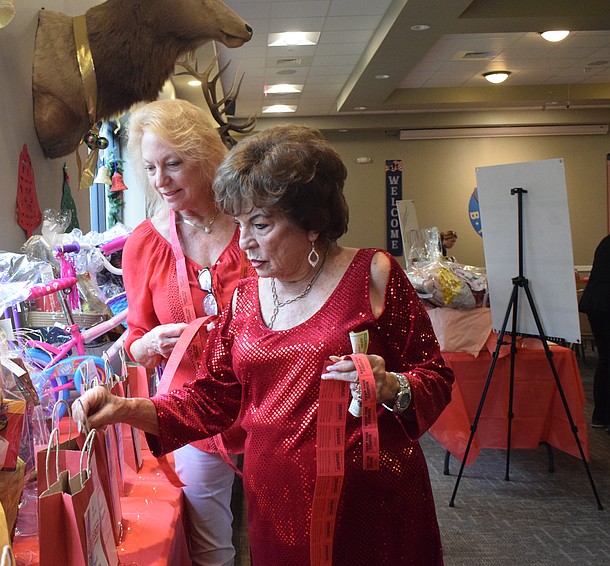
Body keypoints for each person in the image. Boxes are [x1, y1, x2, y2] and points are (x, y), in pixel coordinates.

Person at [74, 125, 455, 565]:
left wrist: (390, 387)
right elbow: (211, 400)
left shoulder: (373, 276)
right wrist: (124, 409)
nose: (244, 242)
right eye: (238, 225)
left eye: (260, 224)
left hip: (370, 504)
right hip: (276, 505)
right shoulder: (245, 298)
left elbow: (436, 377)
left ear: (311, 221)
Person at [119, 99, 253, 566]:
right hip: (192, 414)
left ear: (205, 158)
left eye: (173, 164)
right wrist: (148, 345)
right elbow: (136, 337)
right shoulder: (144, 244)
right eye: (151, 167)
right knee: (211, 546)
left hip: (267, 405)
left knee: (284, 528)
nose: (160, 180)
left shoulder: (254, 225)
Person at [579, 234, 610, 431]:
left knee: (606, 359)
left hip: (595, 302)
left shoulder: (606, 241)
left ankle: (601, 415)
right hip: (606, 303)